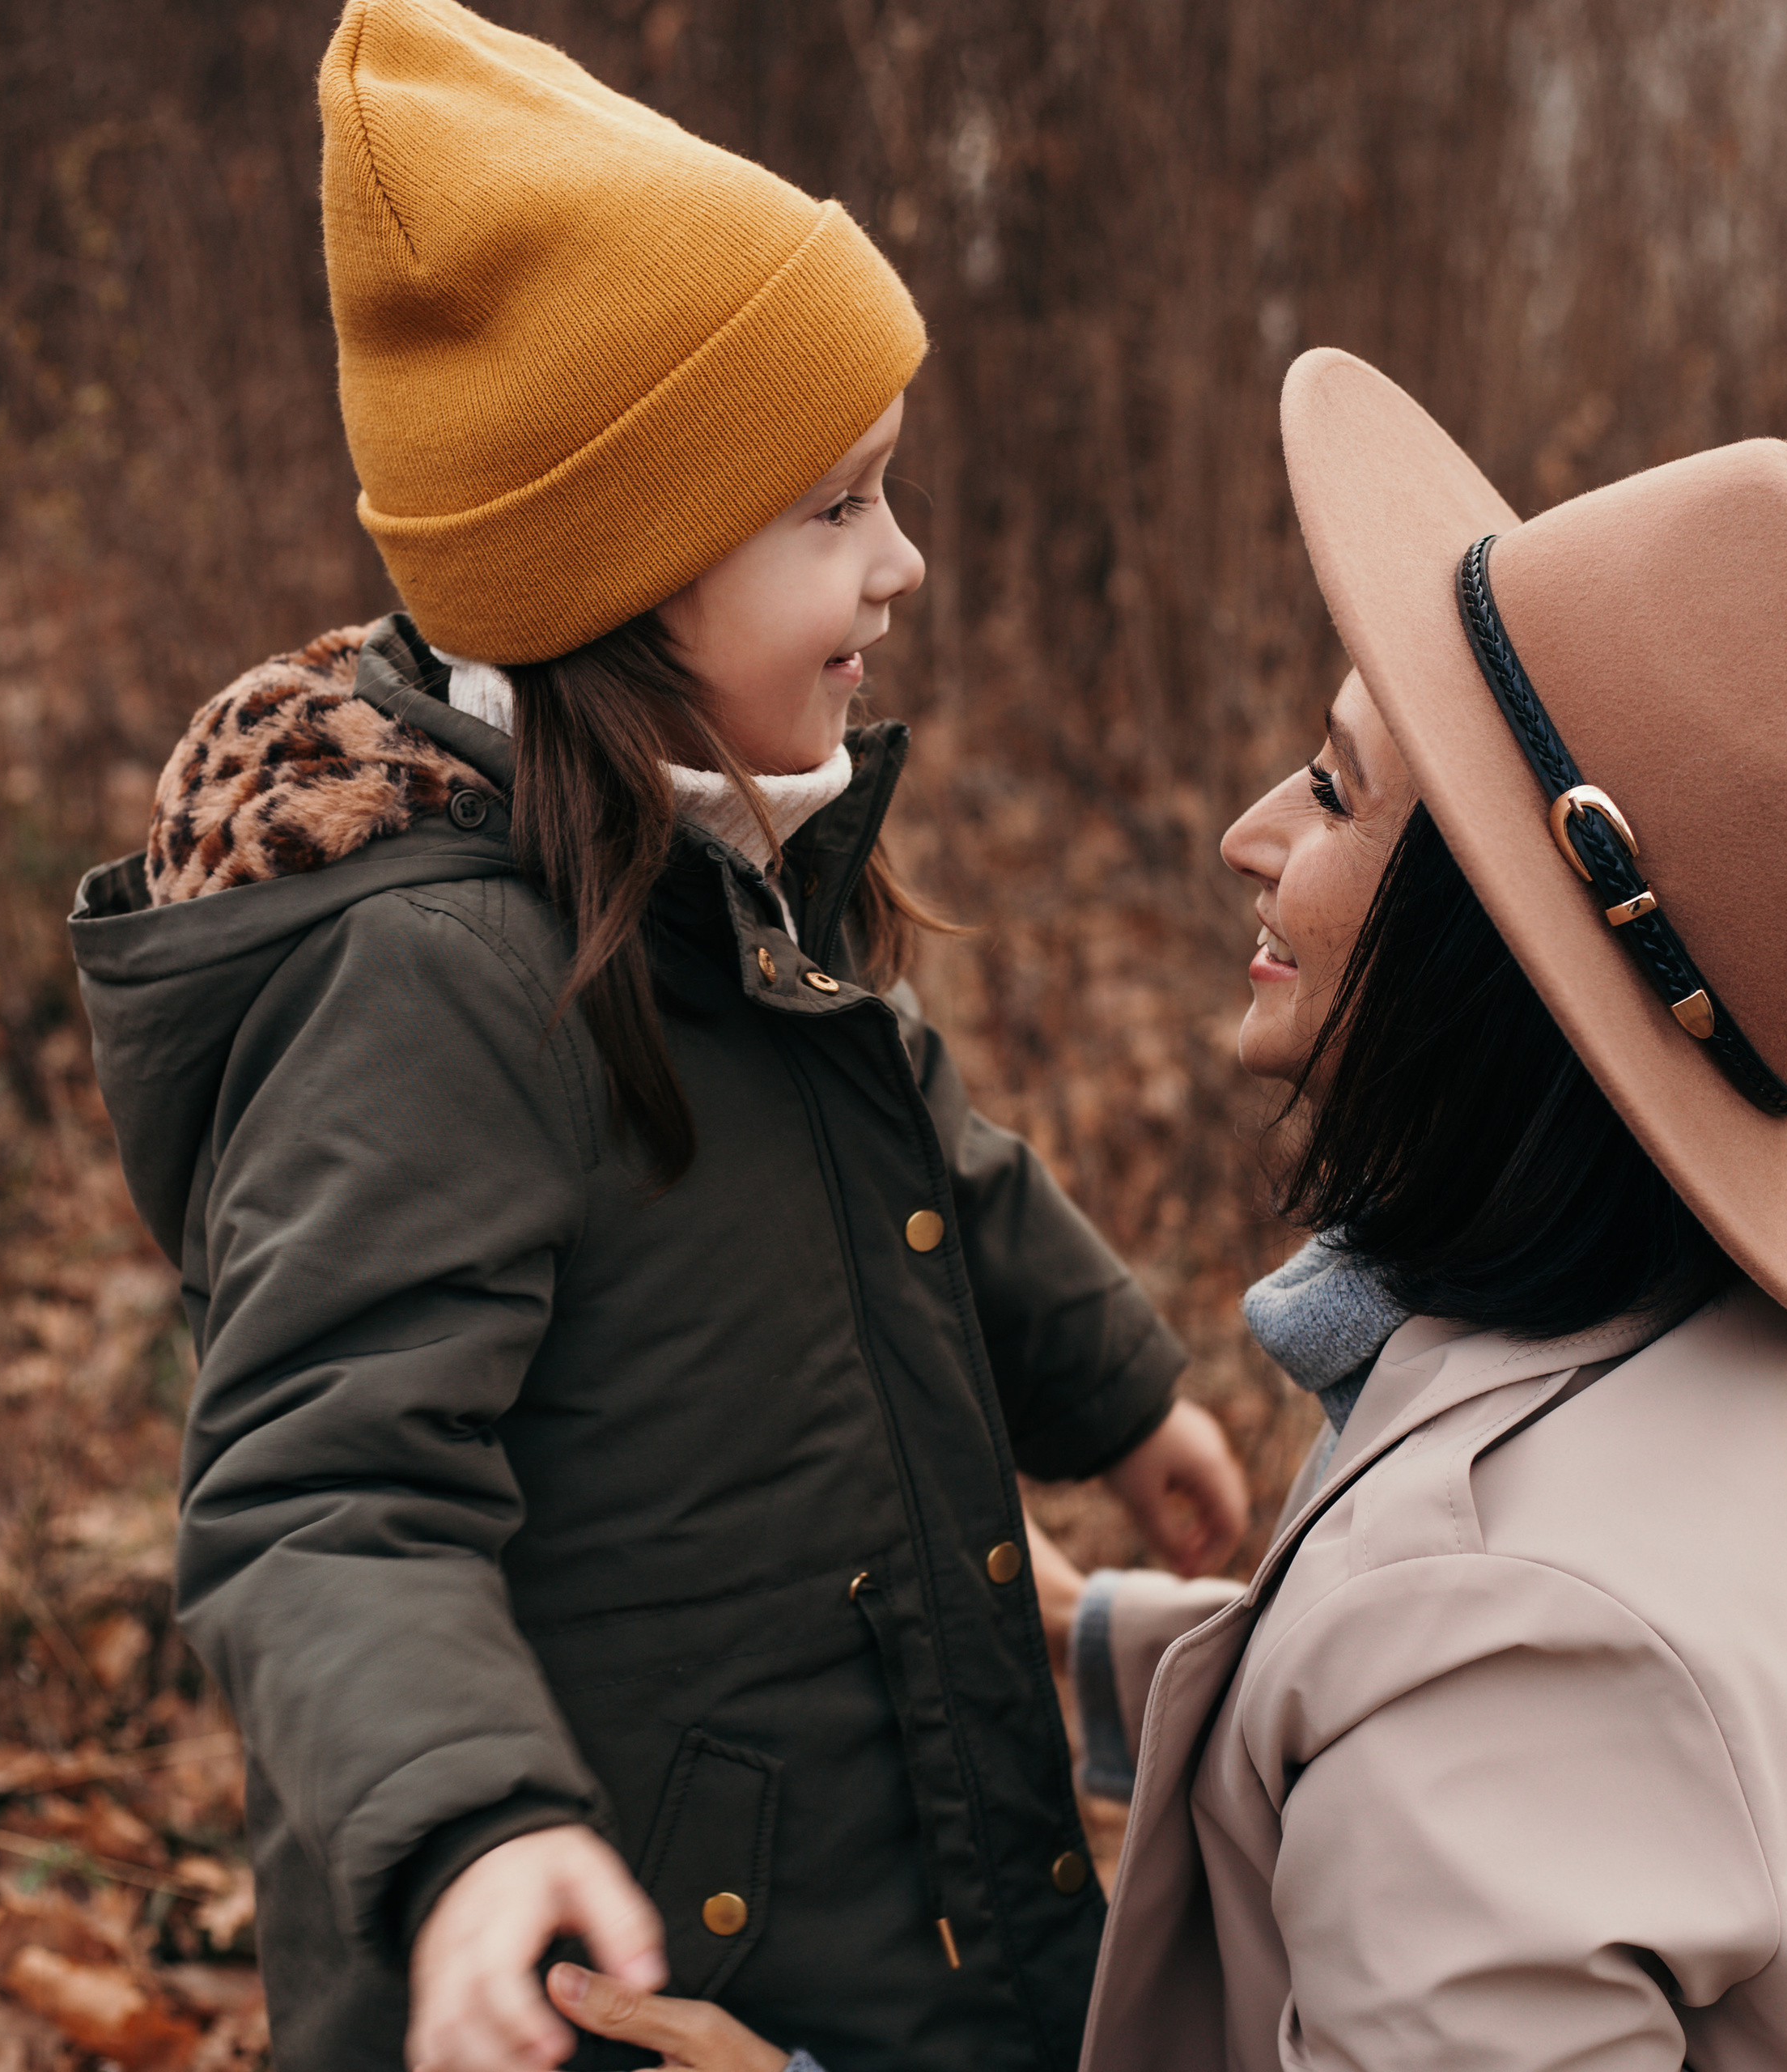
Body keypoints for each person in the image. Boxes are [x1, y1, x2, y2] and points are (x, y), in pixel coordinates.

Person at [66, 3, 1248, 2068]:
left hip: (894, 1901)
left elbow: (918, 1137)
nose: (901, 563)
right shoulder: (430, 977)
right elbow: (324, 1486)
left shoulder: (722, 854)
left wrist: (1116, 1384)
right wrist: (471, 1824)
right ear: (614, 570)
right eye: (834, 508)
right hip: (618, 1983)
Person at [584, 350, 1787, 2070]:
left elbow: (1522, 1690)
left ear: (1491, 945)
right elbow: (1665, 1737)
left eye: (1332, 790)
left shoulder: (1499, 1641)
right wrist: (1098, 1645)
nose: (1249, 834)